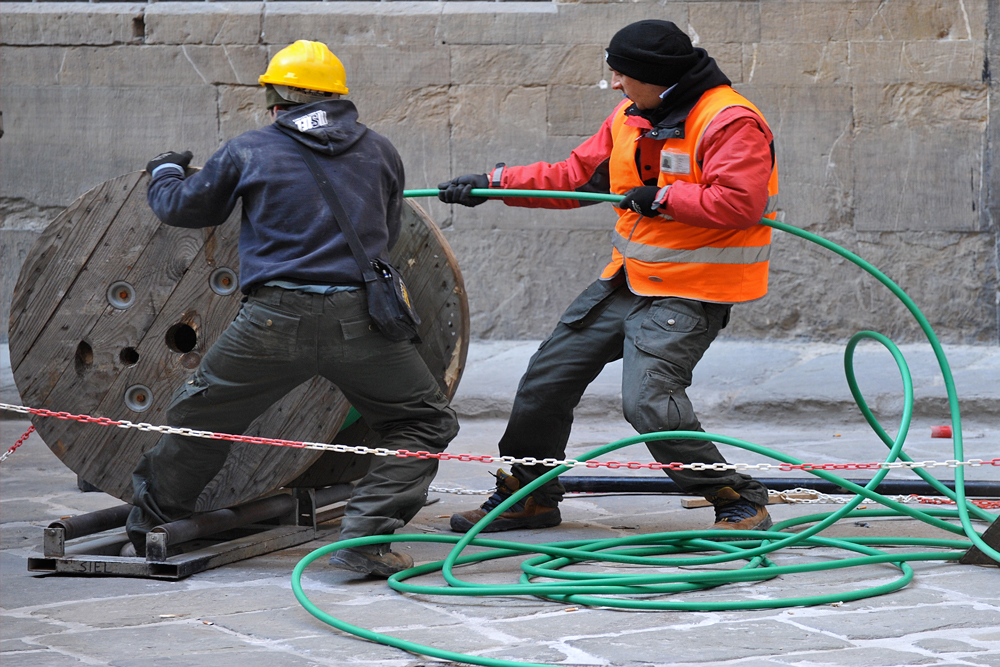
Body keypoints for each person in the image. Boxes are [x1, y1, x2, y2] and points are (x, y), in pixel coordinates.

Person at [126, 40, 458, 577]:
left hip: (270, 321)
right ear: (339, 99)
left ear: (277, 101)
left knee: (202, 419)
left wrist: (165, 171)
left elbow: (184, 208)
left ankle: (150, 528)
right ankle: (365, 539)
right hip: (362, 320)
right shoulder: (380, 151)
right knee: (421, 422)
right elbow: (388, 234)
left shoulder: (250, 150)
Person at [438, 20, 777, 535]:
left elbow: (741, 202)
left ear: (657, 76)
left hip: (690, 290)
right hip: (628, 280)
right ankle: (530, 494)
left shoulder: (730, 121)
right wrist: (493, 184)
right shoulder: (630, 115)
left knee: (648, 401)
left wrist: (664, 197)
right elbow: (573, 176)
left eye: (622, 74)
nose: (615, 84)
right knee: (544, 382)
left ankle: (735, 497)